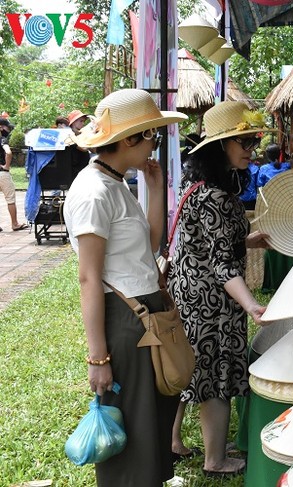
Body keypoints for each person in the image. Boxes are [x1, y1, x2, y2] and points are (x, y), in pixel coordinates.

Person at [62, 89, 187, 486]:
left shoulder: (116, 183)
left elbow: (149, 246)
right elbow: (88, 277)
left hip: (146, 314)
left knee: (150, 423)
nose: (155, 144)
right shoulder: (93, 191)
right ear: (130, 139)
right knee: (133, 430)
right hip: (126, 319)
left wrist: (154, 185)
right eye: (152, 135)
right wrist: (98, 357)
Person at [167, 101, 271, 478]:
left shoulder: (195, 187)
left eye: (251, 139)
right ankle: (215, 459)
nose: (250, 148)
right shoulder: (218, 197)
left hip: (188, 293)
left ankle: (173, 441)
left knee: (185, 370)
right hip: (213, 302)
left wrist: (250, 240)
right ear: (219, 146)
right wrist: (251, 305)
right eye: (241, 140)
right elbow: (223, 265)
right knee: (216, 376)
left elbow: (208, 244)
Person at [0, 118, 27, 231]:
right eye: (7, 127)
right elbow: (8, 152)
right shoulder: (2, 139)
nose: (8, 129)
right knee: (10, 199)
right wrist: (6, 166)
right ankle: (14, 224)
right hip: (2, 173)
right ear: (1, 127)